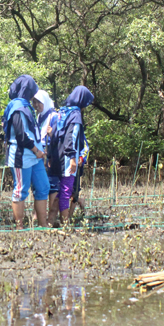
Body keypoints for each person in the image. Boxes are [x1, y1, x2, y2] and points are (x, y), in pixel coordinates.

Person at [3, 75, 48, 228]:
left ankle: (42, 225)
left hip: (35, 157)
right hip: (22, 156)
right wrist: (37, 151)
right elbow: (21, 135)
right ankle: (20, 227)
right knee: (21, 190)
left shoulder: (26, 106)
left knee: (43, 187)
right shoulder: (17, 107)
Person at [51, 86, 94, 224]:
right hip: (68, 159)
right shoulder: (75, 114)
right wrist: (72, 158)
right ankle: (65, 223)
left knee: (61, 191)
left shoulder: (62, 112)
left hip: (58, 156)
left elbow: (55, 135)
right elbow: (72, 136)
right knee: (66, 191)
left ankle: (51, 220)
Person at [32, 90, 61, 225]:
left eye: (39, 102)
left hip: (52, 156)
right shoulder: (38, 118)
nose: (36, 105)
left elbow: (59, 136)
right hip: (39, 156)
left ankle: (52, 217)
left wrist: (51, 136)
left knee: (53, 185)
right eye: (34, 102)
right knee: (40, 186)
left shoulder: (54, 116)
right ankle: (38, 216)